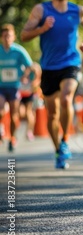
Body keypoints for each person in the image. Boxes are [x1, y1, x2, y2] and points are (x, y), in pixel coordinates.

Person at [21, 0, 83, 169]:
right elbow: (24, 35)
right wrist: (42, 29)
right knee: (52, 113)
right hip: (48, 67)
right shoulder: (41, 10)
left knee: (66, 98)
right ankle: (57, 150)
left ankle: (65, 140)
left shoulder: (78, 10)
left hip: (71, 63)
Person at [0, 23, 33, 152]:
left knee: (14, 115)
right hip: (1, 86)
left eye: (9, 36)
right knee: (1, 109)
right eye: (4, 36)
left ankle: (12, 137)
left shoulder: (19, 51)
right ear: (2, 37)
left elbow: (30, 66)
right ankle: (1, 128)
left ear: (13, 37)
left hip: (14, 87)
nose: (7, 38)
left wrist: (25, 76)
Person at [19, 61, 41, 142]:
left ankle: (29, 131)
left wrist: (34, 83)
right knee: (22, 113)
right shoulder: (22, 69)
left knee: (30, 112)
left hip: (31, 94)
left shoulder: (35, 69)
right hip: (21, 95)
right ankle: (28, 130)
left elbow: (37, 80)